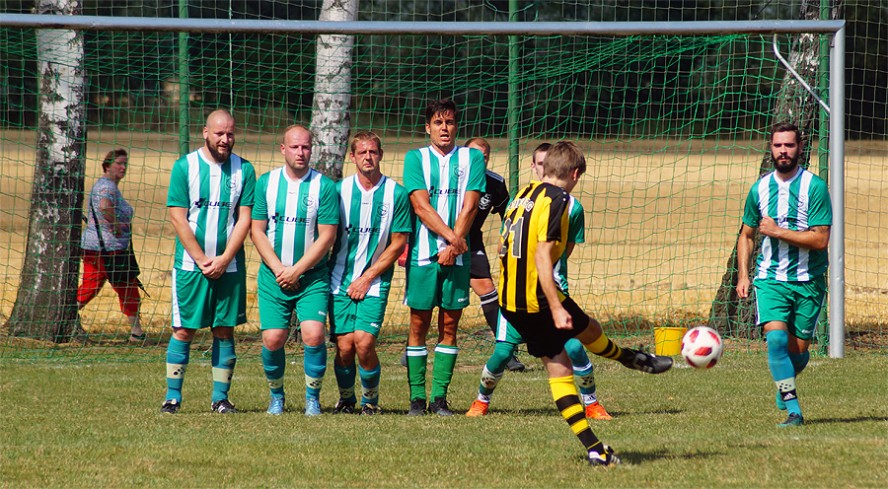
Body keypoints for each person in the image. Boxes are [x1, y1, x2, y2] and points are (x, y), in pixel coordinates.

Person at [496, 141, 672, 466]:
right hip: (537, 300)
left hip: (510, 299)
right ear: (575, 173)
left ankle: (630, 358)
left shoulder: (524, 193)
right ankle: (595, 448)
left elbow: (502, 246)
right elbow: (541, 257)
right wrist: (556, 306)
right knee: (559, 366)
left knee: (589, 329)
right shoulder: (558, 200)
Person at [467, 143, 612, 420]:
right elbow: (506, 245)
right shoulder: (520, 201)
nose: (544, 168)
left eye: (549, 163)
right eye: (539, 163)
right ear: (534, 167)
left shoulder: (572, 208)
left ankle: (591, 403)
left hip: (551, 293)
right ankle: (481, 401)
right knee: (501, 353)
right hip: (517, 295)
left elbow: (564, 251)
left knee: (573, 347)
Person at [735, 122, 832, 428]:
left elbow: (820, 240)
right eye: (778, 146)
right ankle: (794, 410)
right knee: (776, 341)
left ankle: (784, 381)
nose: (783, 151)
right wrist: (743, 275)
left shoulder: (814, 188)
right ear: (771, 148)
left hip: (809, 280)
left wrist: (778, 231)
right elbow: (747, 235)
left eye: (789, 145)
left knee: (799, 353)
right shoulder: (760, 189)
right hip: (771, 279)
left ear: (800, 148)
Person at [161, 109, 256, 414]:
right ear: (205, 133)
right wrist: (202, 259)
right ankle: (173, 397)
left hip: (229, 266)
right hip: (191, 267)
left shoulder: (245, 169)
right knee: (184, 330)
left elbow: (244, 219)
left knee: (224, 330)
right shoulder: (184, 167)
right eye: (219, 133)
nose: (225, 139)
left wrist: (225, 258)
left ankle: (220, 398)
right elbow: (178, 217)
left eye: (230, 134)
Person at [402, 99, 486, 416]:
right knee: (418, 326)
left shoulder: (472, 157)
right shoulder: (415, 159)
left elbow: (470, 205)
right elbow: (421, 206)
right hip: (425, 256)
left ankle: (439, 398)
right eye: (438, 123)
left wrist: (453, 248)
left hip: (457, 258)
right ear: (428, 128)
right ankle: (416, 400)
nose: (445, 128)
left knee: (449, 327)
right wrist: (452, 240)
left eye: (449, 122)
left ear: (456, 125)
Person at [251, 124, 339, 416]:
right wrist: (279, 269)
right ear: (283, 149)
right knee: (273, 339)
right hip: (273, 276)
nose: (301, 152)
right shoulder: (266, 183)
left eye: (306, 147)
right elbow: (257, 230)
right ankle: (277, 397)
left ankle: (312, 399)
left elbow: (327, 235)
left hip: (311, 277)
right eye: (295, 147)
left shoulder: (323, 187)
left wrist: (297, 270)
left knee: (313, 334)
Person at [328, 132, 411, 415]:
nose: (368, 157)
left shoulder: (395, 194)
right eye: (362, 152)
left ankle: (370, 400)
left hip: (374, 281)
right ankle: (346, 399)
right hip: (339, 278)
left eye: (373, 152)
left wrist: (367, 277)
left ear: (381, 154)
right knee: (344, 346)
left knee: (364, 342)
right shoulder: (338, 191)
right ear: (352, 157)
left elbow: (398, 241)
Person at [463, 137, 525, 373]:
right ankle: (412, 348)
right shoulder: (451, 176)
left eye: (484, 156)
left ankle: (506, 351)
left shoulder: (494, 183)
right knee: (433, 296)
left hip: (471, 241)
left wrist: (506, 240)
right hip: (440, 239)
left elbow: (507, 215)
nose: (479, 160)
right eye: (474, 156)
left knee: (488, 289)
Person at [77, 148, 144, 342]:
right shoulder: (107, 187)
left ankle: (65, 316)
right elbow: (105, 206)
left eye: (125, 164)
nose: (123, 167)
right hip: (109, 250)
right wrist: (116, 226)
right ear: (107, 166)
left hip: (97, 248)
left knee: (91, 286)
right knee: (128, 288)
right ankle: (137, 333)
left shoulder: (106, 185)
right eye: (119, 163)